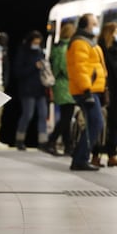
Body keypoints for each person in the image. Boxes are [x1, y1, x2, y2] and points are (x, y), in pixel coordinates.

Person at [66, 13, 107, 171]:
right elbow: (80, 69)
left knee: (94, 122)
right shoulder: (80, 43)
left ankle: (80, 157)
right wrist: (87, 90)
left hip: (93, 90)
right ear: (86, 25)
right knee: (96, 122)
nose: (96, 26)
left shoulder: (89, 42)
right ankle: (80, 159)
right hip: (86, 91)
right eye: (94, 24)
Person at [91, 22, 117, 167]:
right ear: (109, 33)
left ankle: (112, 155)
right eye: (116, 32)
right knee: (102, 125)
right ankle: (95, 155)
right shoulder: (101, 49)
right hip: (105, 91)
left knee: (114, 124)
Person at [13, 30, 48, 150]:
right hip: (27, 90)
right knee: (28, 114)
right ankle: (20, 139)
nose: (36, 44)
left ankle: (43, 142)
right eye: (35, 42)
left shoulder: (40, 52)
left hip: (40, 89)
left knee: (43, 114)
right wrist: (34, 67)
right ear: (30, 41)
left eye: (38, 42)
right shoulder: (23, 52)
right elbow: (18, 72)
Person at [46, 23, 76, 156]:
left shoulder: (57, 47)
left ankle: (68, 145)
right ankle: (51, 141)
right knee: (66, 117)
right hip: (66, 85)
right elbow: (66, 67)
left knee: (66, 116)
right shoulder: (66, 48)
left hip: (60, 85)